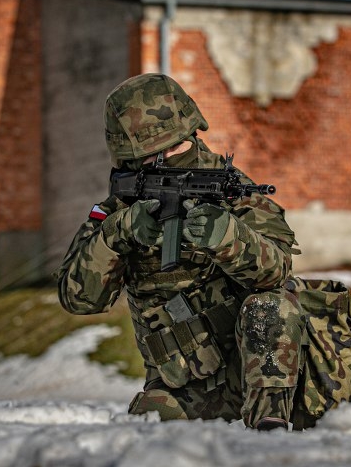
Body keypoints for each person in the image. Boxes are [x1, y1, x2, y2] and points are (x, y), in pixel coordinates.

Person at [57, 73, 312, 431]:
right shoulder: (119, 207)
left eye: (176, 148)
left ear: (193, 134)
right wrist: (117, 234)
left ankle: (269, 432)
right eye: (150, 157)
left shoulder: (232, 190)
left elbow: (277, 271)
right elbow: (78, 299)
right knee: (145, 430)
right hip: (184, 388)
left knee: (271, 305)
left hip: (259, 380)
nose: (166, 161)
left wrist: (228, 238)